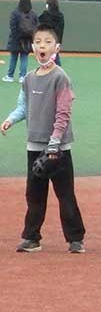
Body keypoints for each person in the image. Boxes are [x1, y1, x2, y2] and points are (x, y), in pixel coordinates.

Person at [2, 23, 86, 254]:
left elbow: (63, 112)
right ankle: (31, 238)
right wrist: (10, 119)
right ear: (32, 46)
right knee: (34, 194)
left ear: (56, 48)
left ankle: (75, 239)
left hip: (57, 148)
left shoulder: (61, 78)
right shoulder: (29, 78)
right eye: (38, 41)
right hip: (34, 144)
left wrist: (55, 141)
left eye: (47, 42)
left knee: (65, 193)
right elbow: (23, 106)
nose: (42, 46)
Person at [4, 0, 39, 84]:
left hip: (16, 39)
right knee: (24, 57)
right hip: (27, 40)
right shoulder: (33, 14)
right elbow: (36, 26)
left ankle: (10, 76)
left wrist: (17, 37)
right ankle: (22, 77)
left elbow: (13, 26)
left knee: (13, 57)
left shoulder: (15, 13)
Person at [38, 0, 64, 66]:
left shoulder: (46, 15)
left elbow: (39, 23)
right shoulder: (60, 15)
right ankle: (57, 72)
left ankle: (53, 73)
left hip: (48, 40)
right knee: (54, 57)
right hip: (56, 40)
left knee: (48, 58)